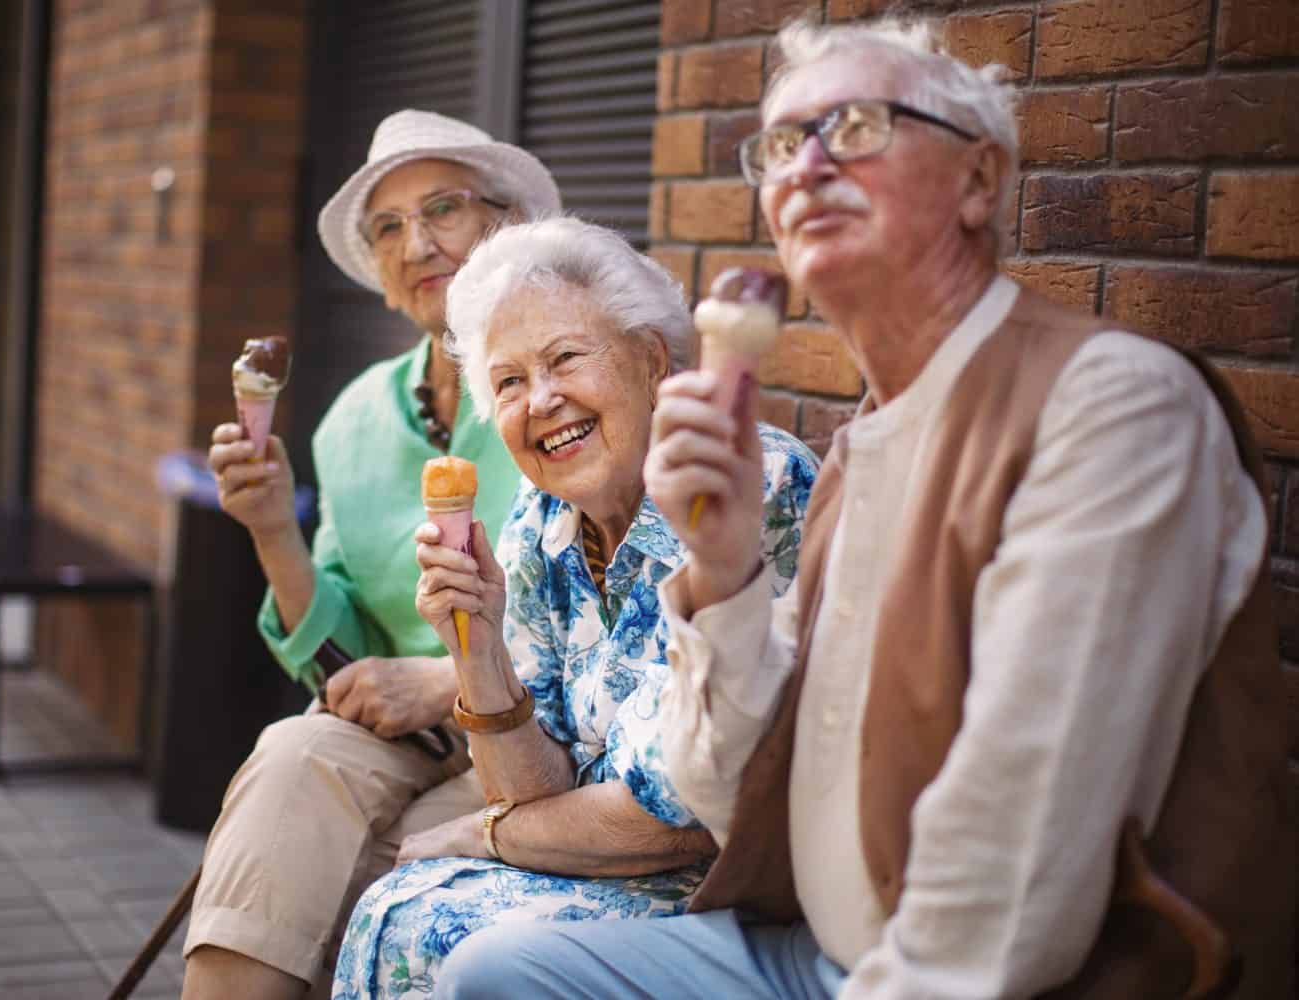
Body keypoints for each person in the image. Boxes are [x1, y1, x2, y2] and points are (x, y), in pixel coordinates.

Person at [434, 18, 1294, 1000]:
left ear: (979, 178)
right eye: (777, 146)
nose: (802, 167)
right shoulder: (862, 450)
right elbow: (726, 792)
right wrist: (721, 574)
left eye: (851, 130)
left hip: (1002, 979)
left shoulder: (1108, 408)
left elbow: (1012, 887)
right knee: (497, 971)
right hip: (804, 946)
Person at [330, 217, 819, 998]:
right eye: (511, 382)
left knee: (439, 925)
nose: (543, 401)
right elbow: (530, 787)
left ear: (652, 360)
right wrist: (476, 644)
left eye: (563, 359)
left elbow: (675, 820)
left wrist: (487, 837)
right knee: (396, 909)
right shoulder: (541, 519)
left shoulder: (745, 490)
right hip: (611, 869)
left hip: (735, 892)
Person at [181, 110, 562, 1000]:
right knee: (287, 758)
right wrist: (274, 528)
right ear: (380, 275)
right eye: (388, 227)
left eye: (444, 209)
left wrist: (447, 680)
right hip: (410, 736)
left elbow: (610, 600)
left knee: (357, 873)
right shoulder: (354, 415)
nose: (416, 241)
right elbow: (340, 667)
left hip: (538, 733)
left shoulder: (557, 384)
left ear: (507, 227)